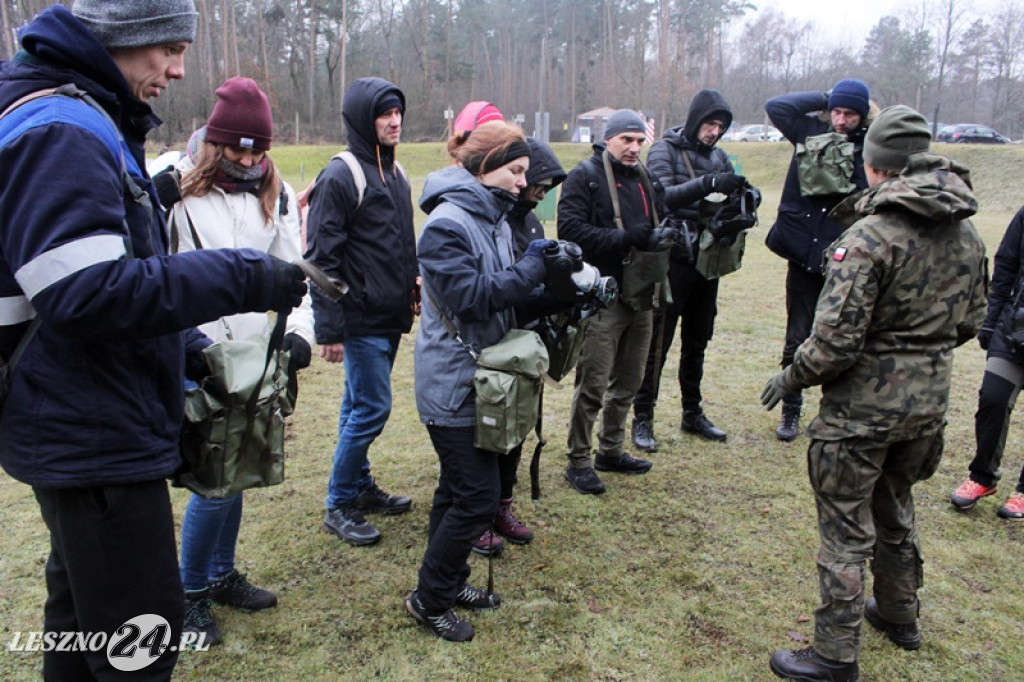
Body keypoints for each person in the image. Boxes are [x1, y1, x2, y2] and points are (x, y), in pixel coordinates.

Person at [0, 3, 307, 679]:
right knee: (137, 641)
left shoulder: (79, 116)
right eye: (169, 47)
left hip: (79, 416)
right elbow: (84, 293)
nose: (178, 69)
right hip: (92, 431)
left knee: (81, 620)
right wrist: (242, 276)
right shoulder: (62, 129)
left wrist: (188, 347)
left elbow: (108, 274)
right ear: (122, 35)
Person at [762, 105, 987, 681]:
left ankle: (834, 654)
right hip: (927, 407)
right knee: (895, 506)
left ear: (875, 165)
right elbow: (970, 322)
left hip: (860, 415)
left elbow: (832, 345)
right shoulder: (966, 232)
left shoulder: (868, 237)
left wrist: (789, 377)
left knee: (845, 531)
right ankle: (899, 613)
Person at [167, 77, 315, 646]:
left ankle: (220, 572)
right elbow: (157, 271)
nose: (250, 160)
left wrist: (298, 335)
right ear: (215, 140)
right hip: (200, 355)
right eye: (238, 148)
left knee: (241, 470)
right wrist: (186, 346)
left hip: (255, 359)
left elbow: (295, 270)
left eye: (258, 150)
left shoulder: (275, 192)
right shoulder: (177, 189)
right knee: (216, 481)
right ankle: (188, 595)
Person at [406, 121, 552, 642]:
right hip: (453, 384)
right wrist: (533, 265)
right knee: (477, 497)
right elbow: (471, 299)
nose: (523, 182)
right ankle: (428, 600)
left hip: (484, 379)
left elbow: (508, 300)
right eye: (516, 171)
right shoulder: (447, 224)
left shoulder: (493, 219)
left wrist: (561, 287)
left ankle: (445, 585)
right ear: (486, 166)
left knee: (456, 491)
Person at [306, 77, 418, 546]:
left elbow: (403, 242)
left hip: (390, 314)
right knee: (372, 407)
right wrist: (329, 328)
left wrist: (413, 282)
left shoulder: (398, 173)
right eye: (384, 114)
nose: (394, 121)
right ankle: (339, 504)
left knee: (357, 405)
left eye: (397, 112)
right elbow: (320, 258)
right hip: (360, 317)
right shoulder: (341, 175)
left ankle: (359, 485)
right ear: (361, 119)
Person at [558, 109, 677, 495]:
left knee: (630, 379)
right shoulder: (584, 176)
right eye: (626, 139)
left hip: (641, 294)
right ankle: (578, 460)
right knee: (593, 382)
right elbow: (569, 232)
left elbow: (664, 211)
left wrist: (667, 234)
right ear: (607, 138)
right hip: (601, 296)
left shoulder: (645, 177)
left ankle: (610, 450)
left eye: (640, 140)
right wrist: (626, 238)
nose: (634, 147)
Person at [632, 89, 744, 451]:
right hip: (672, 260)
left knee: (698, 340)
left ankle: (692, 412)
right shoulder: (663, 150)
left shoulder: (720, 157)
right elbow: (662, 197)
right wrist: (708, 184)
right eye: (710, 124)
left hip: (707, 261)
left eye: (721, 126)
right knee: (657, 343)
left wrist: (743, 205)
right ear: (696, 120)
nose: (715, 132)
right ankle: (643, 417)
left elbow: (729, 202)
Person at [471, 137, 567, 556]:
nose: (540, 192)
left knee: (518, 426)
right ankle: (476, 515)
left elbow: (535, 284)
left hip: (526, 342)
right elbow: (502, 290)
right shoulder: (493, 224)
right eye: (536, 184)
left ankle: (502, 507)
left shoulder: (531, 225)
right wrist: (548, 296)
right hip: (494, 345)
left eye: (546, 186)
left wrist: (565, 292)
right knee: (487, 431)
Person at [764, 79, 873, 442]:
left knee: (842, 338)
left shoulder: (869, 147)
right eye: (836, 112)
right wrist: (828, 96)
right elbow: (776, 106)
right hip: (802, 252)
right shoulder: (808, 130)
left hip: (844, 259)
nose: (841, 120)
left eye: (850, 113)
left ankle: (835, 412)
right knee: (796, 336)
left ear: (862, 116)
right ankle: (790, 409)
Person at [950, 206, 1024, 519]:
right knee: (993, 400)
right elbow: (1005, 266)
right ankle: (983, 476)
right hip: (1013, 332)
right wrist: (991, 323)